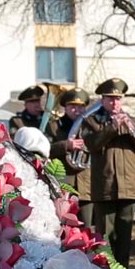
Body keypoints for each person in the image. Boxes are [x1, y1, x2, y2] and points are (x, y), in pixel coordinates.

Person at [85, 78, 135, 269]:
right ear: (102, 100)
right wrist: (111, 128)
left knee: (124, 235)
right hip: (105, 186)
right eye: (110, 99)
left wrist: (130, 130)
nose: (115, 103)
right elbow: (93, 145)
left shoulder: (134, 121)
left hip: (128, 187)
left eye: (118, 99)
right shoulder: (92, 121)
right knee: (106, 236)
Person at [48, 87, 96, 227]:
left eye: (81, 106)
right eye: (73, 106)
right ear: (65, 107)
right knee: (64, 226)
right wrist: (65, 145)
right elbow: (44, 150)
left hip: (86, 185)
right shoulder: (54, 126)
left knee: (86, 227)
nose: (77, 110)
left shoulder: (91, 126)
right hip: (65, 184)